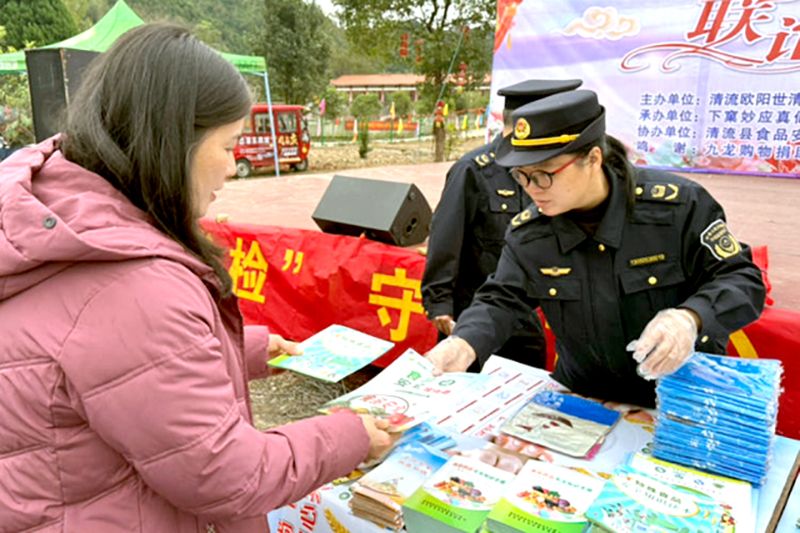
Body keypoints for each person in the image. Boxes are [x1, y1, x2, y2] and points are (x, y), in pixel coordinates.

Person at [0, 24, 397, 532]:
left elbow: (102, 360)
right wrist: (350, 436)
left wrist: (249, 347)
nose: (233, 168)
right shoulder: (133, 283)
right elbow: (227, 475)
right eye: (229, 145)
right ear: (171, 142)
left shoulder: (58, 215)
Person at [424, 89, 765, 407]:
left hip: (681, 400)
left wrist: (690, 319)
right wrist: (464, 343)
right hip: (585, 400)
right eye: (521, 176)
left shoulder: (677, 209)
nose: (532, 189)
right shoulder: (532, 231)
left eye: (544, 174)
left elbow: (742, 279)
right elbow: (502, 298)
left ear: (593, 158)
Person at [421, 79, 582, 371]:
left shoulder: (560, 175)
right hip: (471, 315)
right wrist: (439, 304)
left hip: (522, 316)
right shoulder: (474, 170)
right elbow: (446, 238)